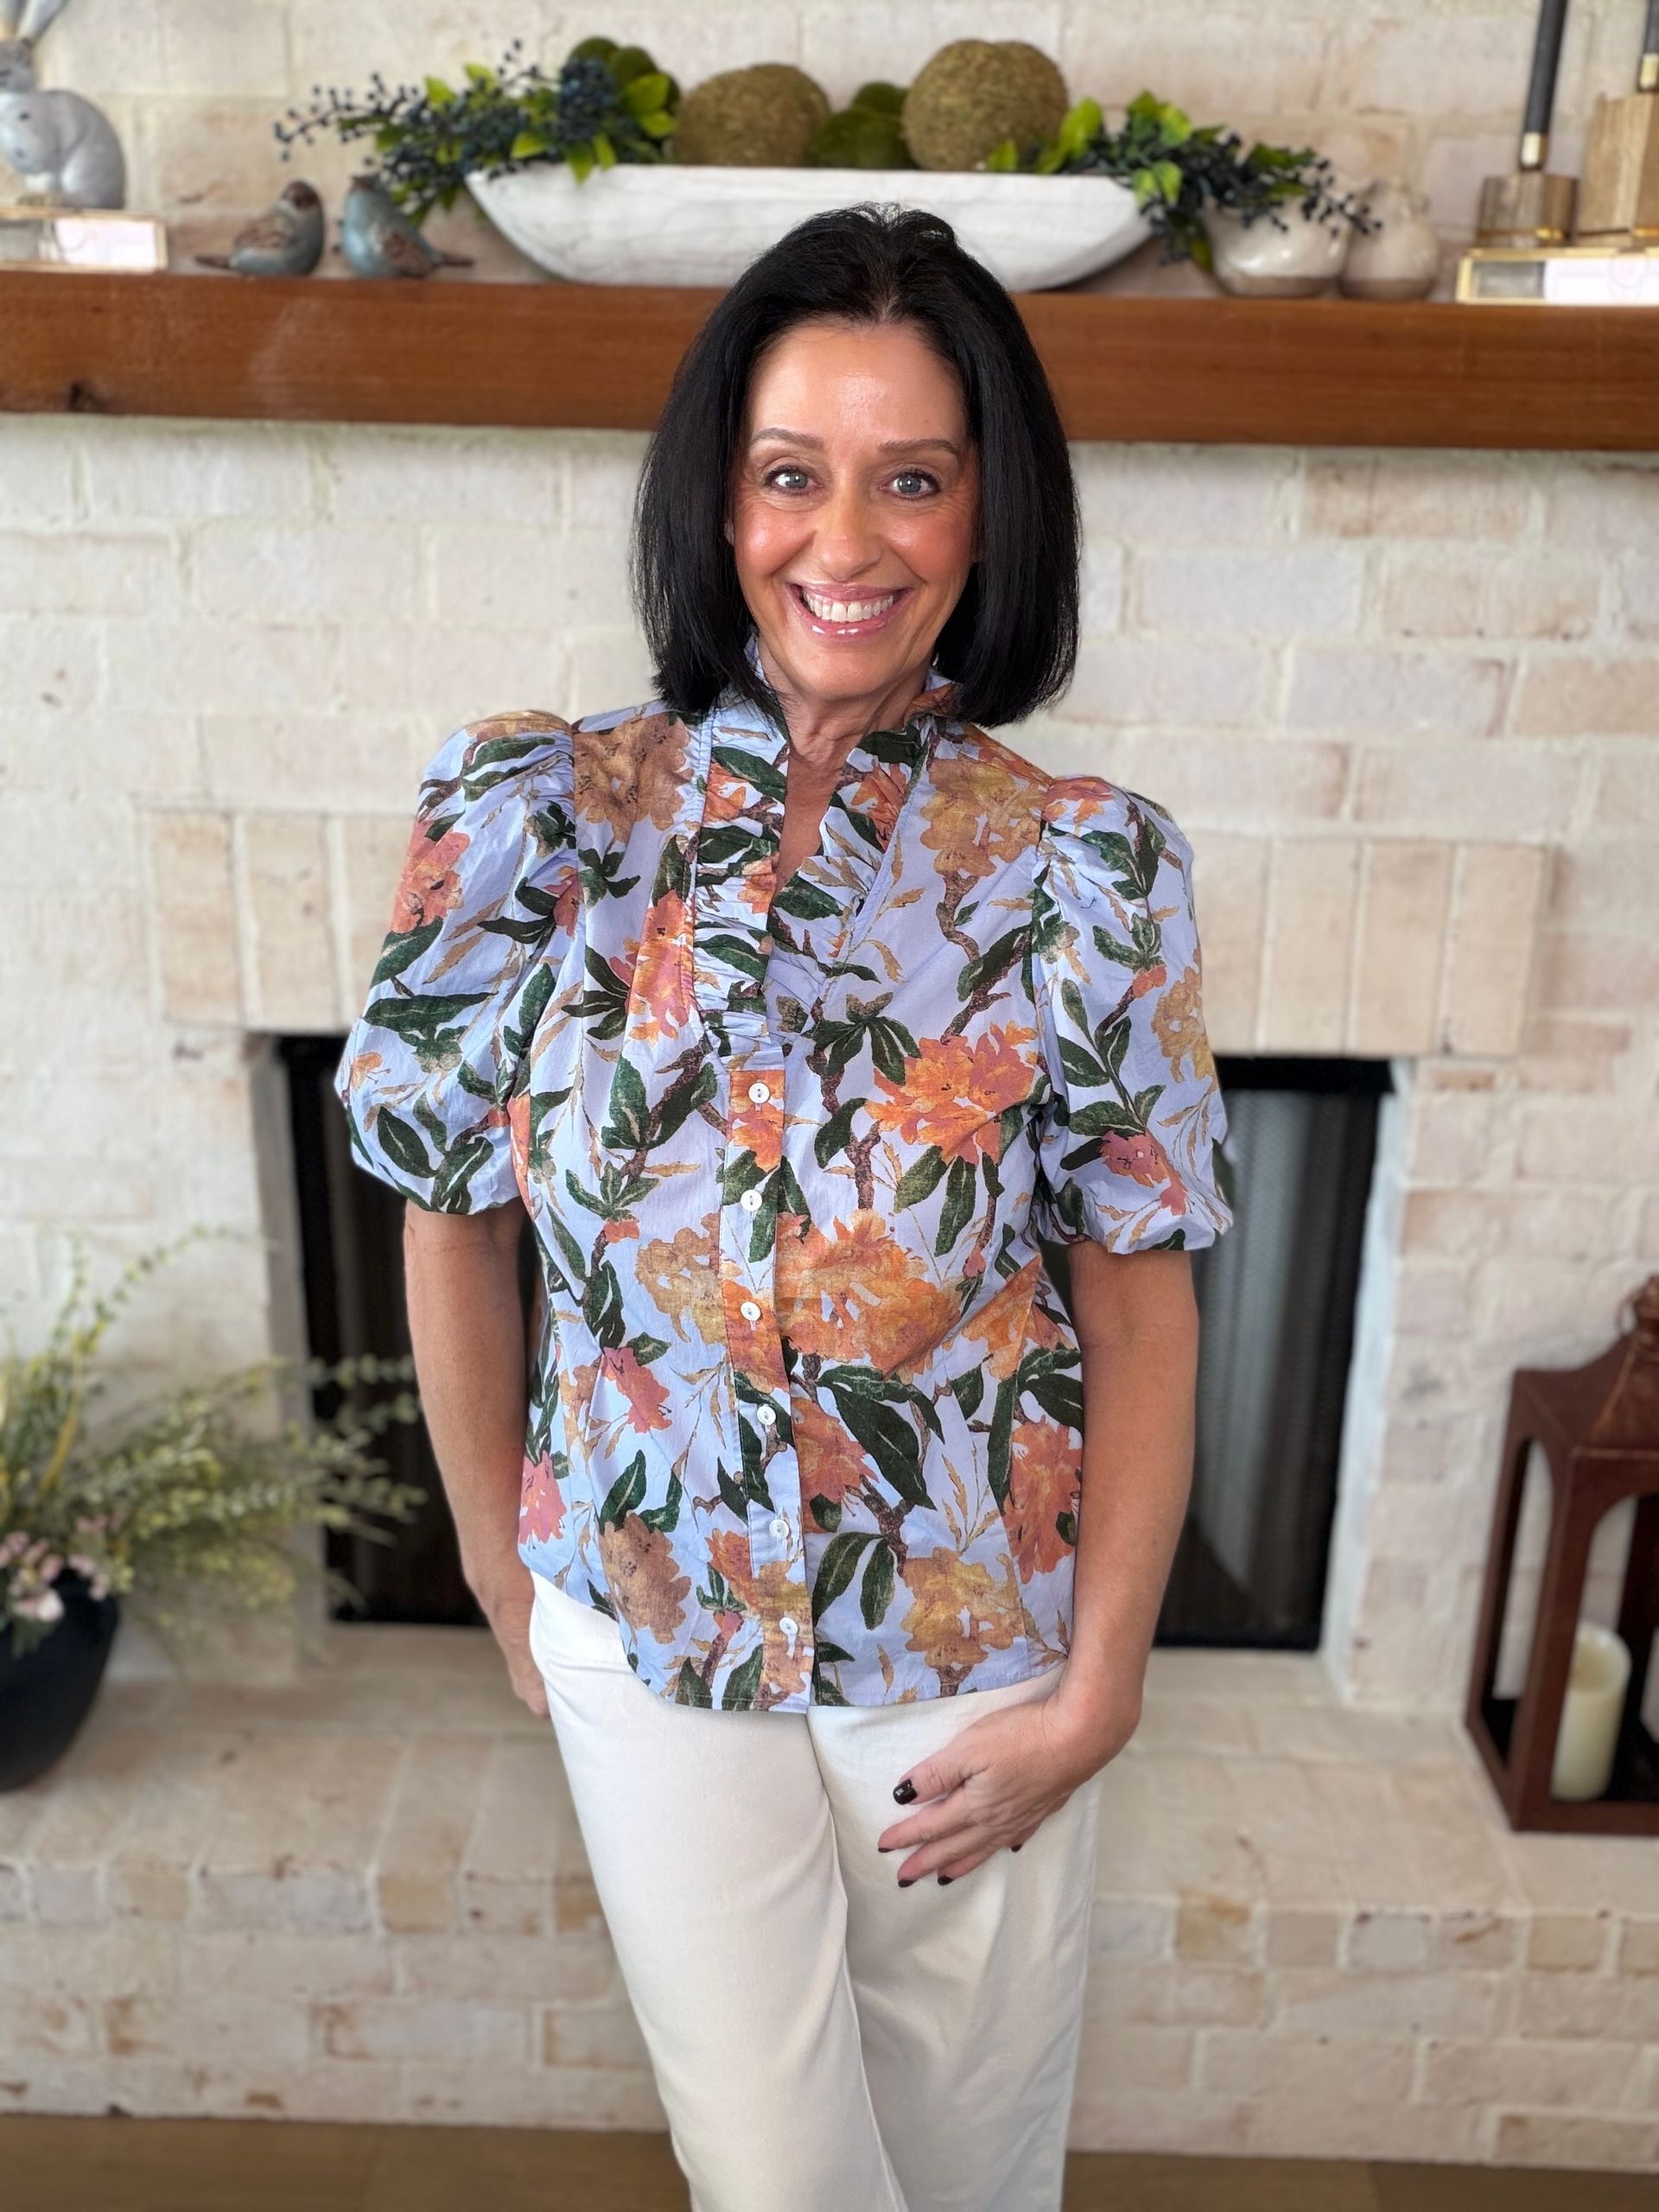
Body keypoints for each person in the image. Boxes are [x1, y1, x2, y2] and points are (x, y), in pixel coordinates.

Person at [335, 202, 1233, 2212]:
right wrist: (503, 1569)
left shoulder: (1092, 870)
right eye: (790, 474)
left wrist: (1102, 1684)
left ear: (989, 514)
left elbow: (1142, 1287)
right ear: (715, 499)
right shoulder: (534, 814)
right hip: (648, 1633)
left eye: (913, 477)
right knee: (780, 2177)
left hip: (972, 1654)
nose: (849, 542)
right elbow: (444, 1205)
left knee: (972, 2166)